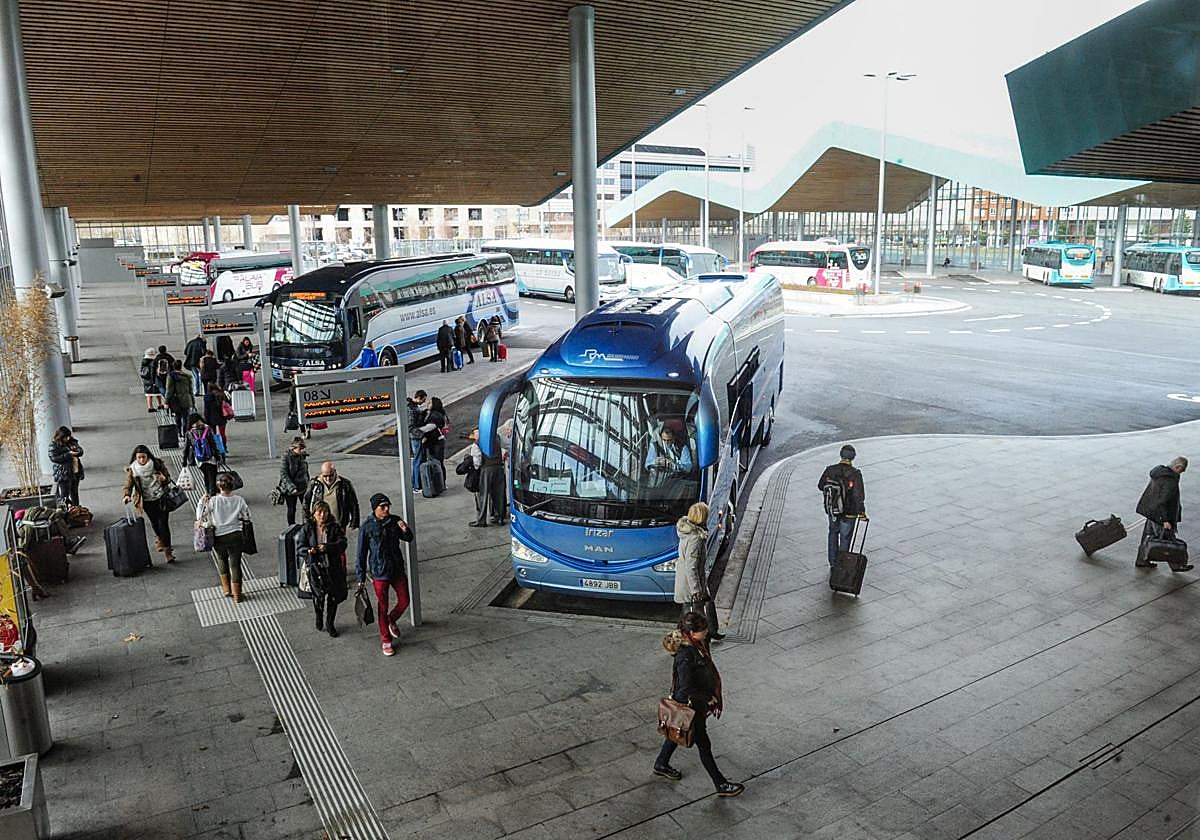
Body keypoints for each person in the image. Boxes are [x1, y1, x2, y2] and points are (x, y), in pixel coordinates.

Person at [652, 612, 744, 797]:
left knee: (677, 731)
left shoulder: (695, 645)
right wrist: (707, 697)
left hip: (691, 705)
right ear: (692, 633)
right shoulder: (686, 654)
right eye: (703, 630)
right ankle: (721, 784)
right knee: (703, 744)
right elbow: (686, 687)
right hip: (692, 706)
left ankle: (661, 763)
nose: (707, 632)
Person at [356, 493, 414, 656]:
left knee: (404, 600)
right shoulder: (367, 527)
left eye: (388, 506)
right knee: (383, 606)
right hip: (379, 572)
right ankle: (386, 640)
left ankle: (391, 619)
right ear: (375, 509)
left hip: (396, 569)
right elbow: (361, 553)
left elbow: (409, 538)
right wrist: (360, 577)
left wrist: (405, 529)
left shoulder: (395, 520)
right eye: (383, 507)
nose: (387, 509)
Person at [198, 472, 252, 602]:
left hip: (219, 535)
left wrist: (201, 502)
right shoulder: (239, 500)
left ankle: (226, 589)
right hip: (236, 535)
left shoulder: (214, 501)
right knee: (235, 564)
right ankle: (238, 595)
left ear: (219, 487)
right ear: (232, 487)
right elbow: (247, 516)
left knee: (221, 559)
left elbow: (200, 515)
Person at [298, 501, 348, 637]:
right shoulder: (307, 528)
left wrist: (328, 547)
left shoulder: (334, 527)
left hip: (332, 567)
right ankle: (318, 616)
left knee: (333, 596)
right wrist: (309, 550)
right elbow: (300, 547)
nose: (322, 515)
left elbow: (343, 543)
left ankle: (330, 623)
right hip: (315, 567)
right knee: (318, 596)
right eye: (319, 512)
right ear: (314, 513)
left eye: (325, 511)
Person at [674, 502, 723, 640]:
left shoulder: (688, 532)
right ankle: (691, 638)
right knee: (692, 614)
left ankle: (710, 631)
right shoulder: (695, 539)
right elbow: (691, 566)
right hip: (691, 583)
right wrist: (696, 589)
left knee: (700, 606)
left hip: (691, 580)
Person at [122, 444, 175, 563]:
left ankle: (168, 552)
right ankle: (159, 538)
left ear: (148, 456)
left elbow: (168, 478)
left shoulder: (156, 464)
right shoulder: (133, 469)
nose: (141, 460)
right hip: (145, 500)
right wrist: (126, 495)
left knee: (163, 524)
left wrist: (163, 478)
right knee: (154, 523)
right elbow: (128, 484)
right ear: (135, 458)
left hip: (161, 498)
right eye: (139, 457)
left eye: (143, 457)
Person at [1136, 456, 1190, 570]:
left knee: (1147, 537)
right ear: (1177, 467)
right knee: (1169, 540)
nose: (1182, 472)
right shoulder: (1170, 480)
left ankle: (1141, 560)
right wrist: (1165, 520)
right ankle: (1177, 565)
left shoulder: (1160, 473)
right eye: (1182, 470)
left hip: (1151, 511)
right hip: (1160, 515)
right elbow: (1163, 501)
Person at [817, 444, 866, 566]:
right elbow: (858, 495)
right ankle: (841, 563)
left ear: (841, 455)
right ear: (853, 457)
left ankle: (833, 562)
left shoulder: (830, 469)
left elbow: (820, 485)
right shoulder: (855, 474)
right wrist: (862, 512)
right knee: (845, 537)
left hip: (833, 509)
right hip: (849, 513)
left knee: (833, 533)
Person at [302, 461, 361, 530]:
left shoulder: (345, 484)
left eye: (331, 475)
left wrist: (354, 521)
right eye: (325, 476)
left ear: (335, 472)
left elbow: (353, 504)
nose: (328, 478)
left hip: (338, 524)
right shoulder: (314, 484)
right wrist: (306, 521)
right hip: (319, 523)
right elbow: (306, 502)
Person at [469, 429, 508, 527]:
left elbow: (477, 462)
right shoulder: (497, 437)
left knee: (483, 495)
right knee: (499, 494)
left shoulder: (477, 444)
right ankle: (499, 518)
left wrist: (476, 469)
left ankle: (481, 520)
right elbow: (503, 449)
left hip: (486, 469)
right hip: (499, 468)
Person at [183, 417, 222, 496]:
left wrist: (184, 460)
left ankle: (207, 492)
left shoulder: (189, 433)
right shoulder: (207, 430)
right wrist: (218, 456)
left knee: (206, 475)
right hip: (211, 458)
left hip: (199, 460)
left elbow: (186, 448)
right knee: (212, 476)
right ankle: (212, 494)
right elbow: (213, 444)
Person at [48, 426, 84, 506]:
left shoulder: (71, 441)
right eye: (66, 437)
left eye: (69, 436)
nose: (68, 438)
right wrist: (68, 455)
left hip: (75, 471)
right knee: (64, 495)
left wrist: (77, 451)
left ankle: (76, 510)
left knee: (74, 492)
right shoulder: (54, 445)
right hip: (64, 473)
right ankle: (66, 512)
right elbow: (54, 458)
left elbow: (81, 451)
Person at [278, 437, 309, 526]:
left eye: (303, 448)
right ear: (294, 448)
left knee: (307, 508)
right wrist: (292, 487)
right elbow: (284, 474)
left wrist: (308, 483)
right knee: (291, 509)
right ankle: (291, 527)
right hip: (290, 489)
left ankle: (307, 526)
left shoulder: (302, 456)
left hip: (302, 486)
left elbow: (305, 472)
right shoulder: (286, 457)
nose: (302, 450)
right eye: (300, 448)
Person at [165, 360, 195, 438]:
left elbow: (169, 390)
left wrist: (166, 402)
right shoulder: (187, 377)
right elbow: (191, 390)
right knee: (186, 417)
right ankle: (185, 433)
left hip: (176, 400)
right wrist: (193, 402)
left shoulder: (171, 376)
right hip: (186, 399)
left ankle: (179, 432)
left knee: (177, 416)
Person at [419, 397, 448, 477]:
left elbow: (429, 427)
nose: (428, 403)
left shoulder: (436, 416)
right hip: (431, 441)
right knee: (433, 461)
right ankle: (437, 481)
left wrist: (415, 430)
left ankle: (442, 482)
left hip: (437, 441)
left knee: (438, 462)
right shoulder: (426, 413)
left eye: (430, 402)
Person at [407, 390, 428, 491]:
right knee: (418, 461)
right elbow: (410, 427)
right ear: (419, 397)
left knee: (418, 460)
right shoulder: (411, 409)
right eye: (423, 400)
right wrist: (422, 435)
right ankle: (416, 486)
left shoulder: (412, 406)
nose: (423, 402)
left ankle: (416, 484)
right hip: (415, 438)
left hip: (415, 437)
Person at [203, 383, 230, 451]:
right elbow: (228, 404)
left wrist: (206, 420)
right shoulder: (222, 394)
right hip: (222, 417)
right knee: (222, 434)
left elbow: (206, 410)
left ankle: (216, 449)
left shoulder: (207, 397)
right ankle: (224, 447)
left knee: (213, 434)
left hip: (211, 419)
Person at [139, 347, 164, 412]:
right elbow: (154, 372)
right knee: (158, 393)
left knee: (149, 394)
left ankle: (150, 407)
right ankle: (160, 404)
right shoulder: (153, 363)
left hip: (146, 380)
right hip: (154, 380)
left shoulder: (144, 361)